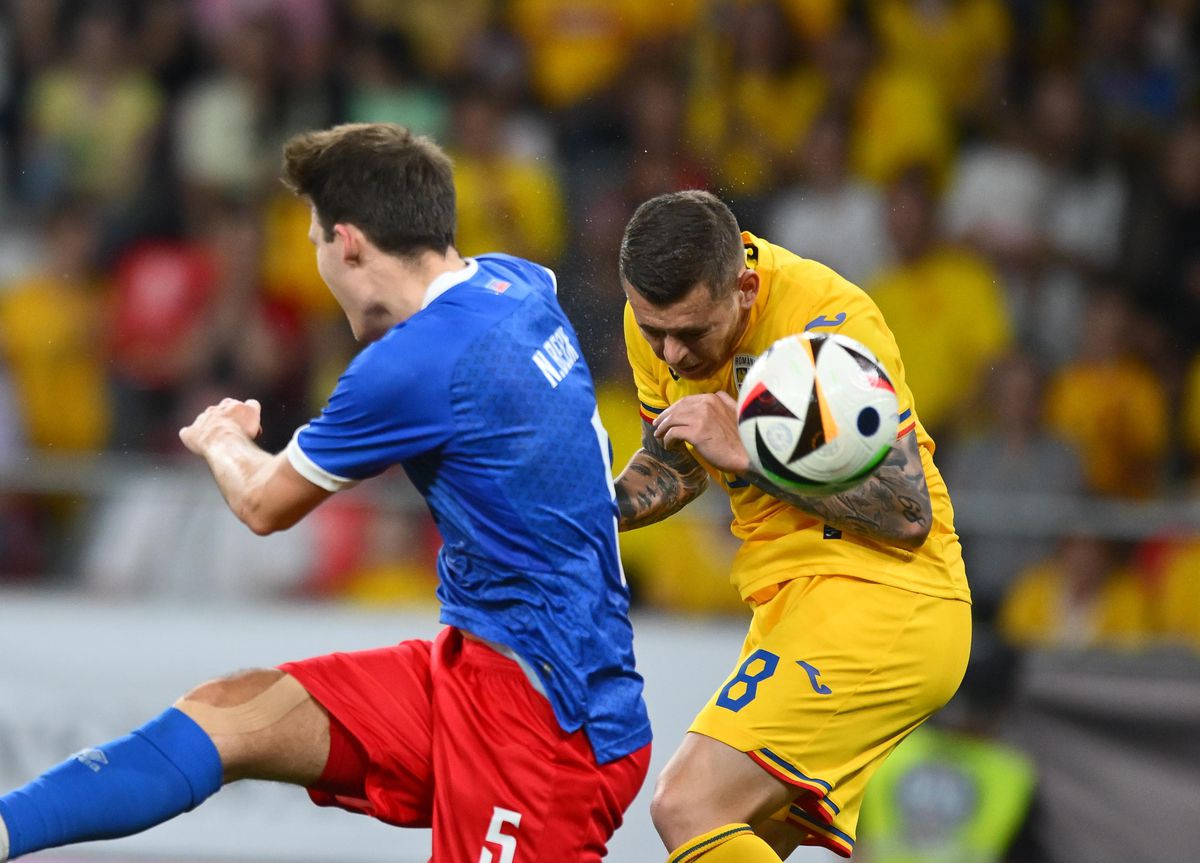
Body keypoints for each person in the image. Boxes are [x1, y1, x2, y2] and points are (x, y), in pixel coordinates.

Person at [0, 123, 651, 862]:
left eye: (310, 240)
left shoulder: (413, 364)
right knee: (232, 713)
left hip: (545, 721)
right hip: (478, 666)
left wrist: (220, 438)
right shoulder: (518, 283)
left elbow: (261, 504)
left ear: (347, 243)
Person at [614, 190, 971, 861]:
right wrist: (569, 515)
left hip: (886, 594)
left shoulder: (826, 322)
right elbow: (675, 468)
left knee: (688, 803)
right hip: (790, 604)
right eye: (651, 326)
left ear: (744, 287)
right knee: (719, 837)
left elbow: (906, 509)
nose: (672, 354)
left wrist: (753, 457)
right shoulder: (658, 327)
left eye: (690, 333)